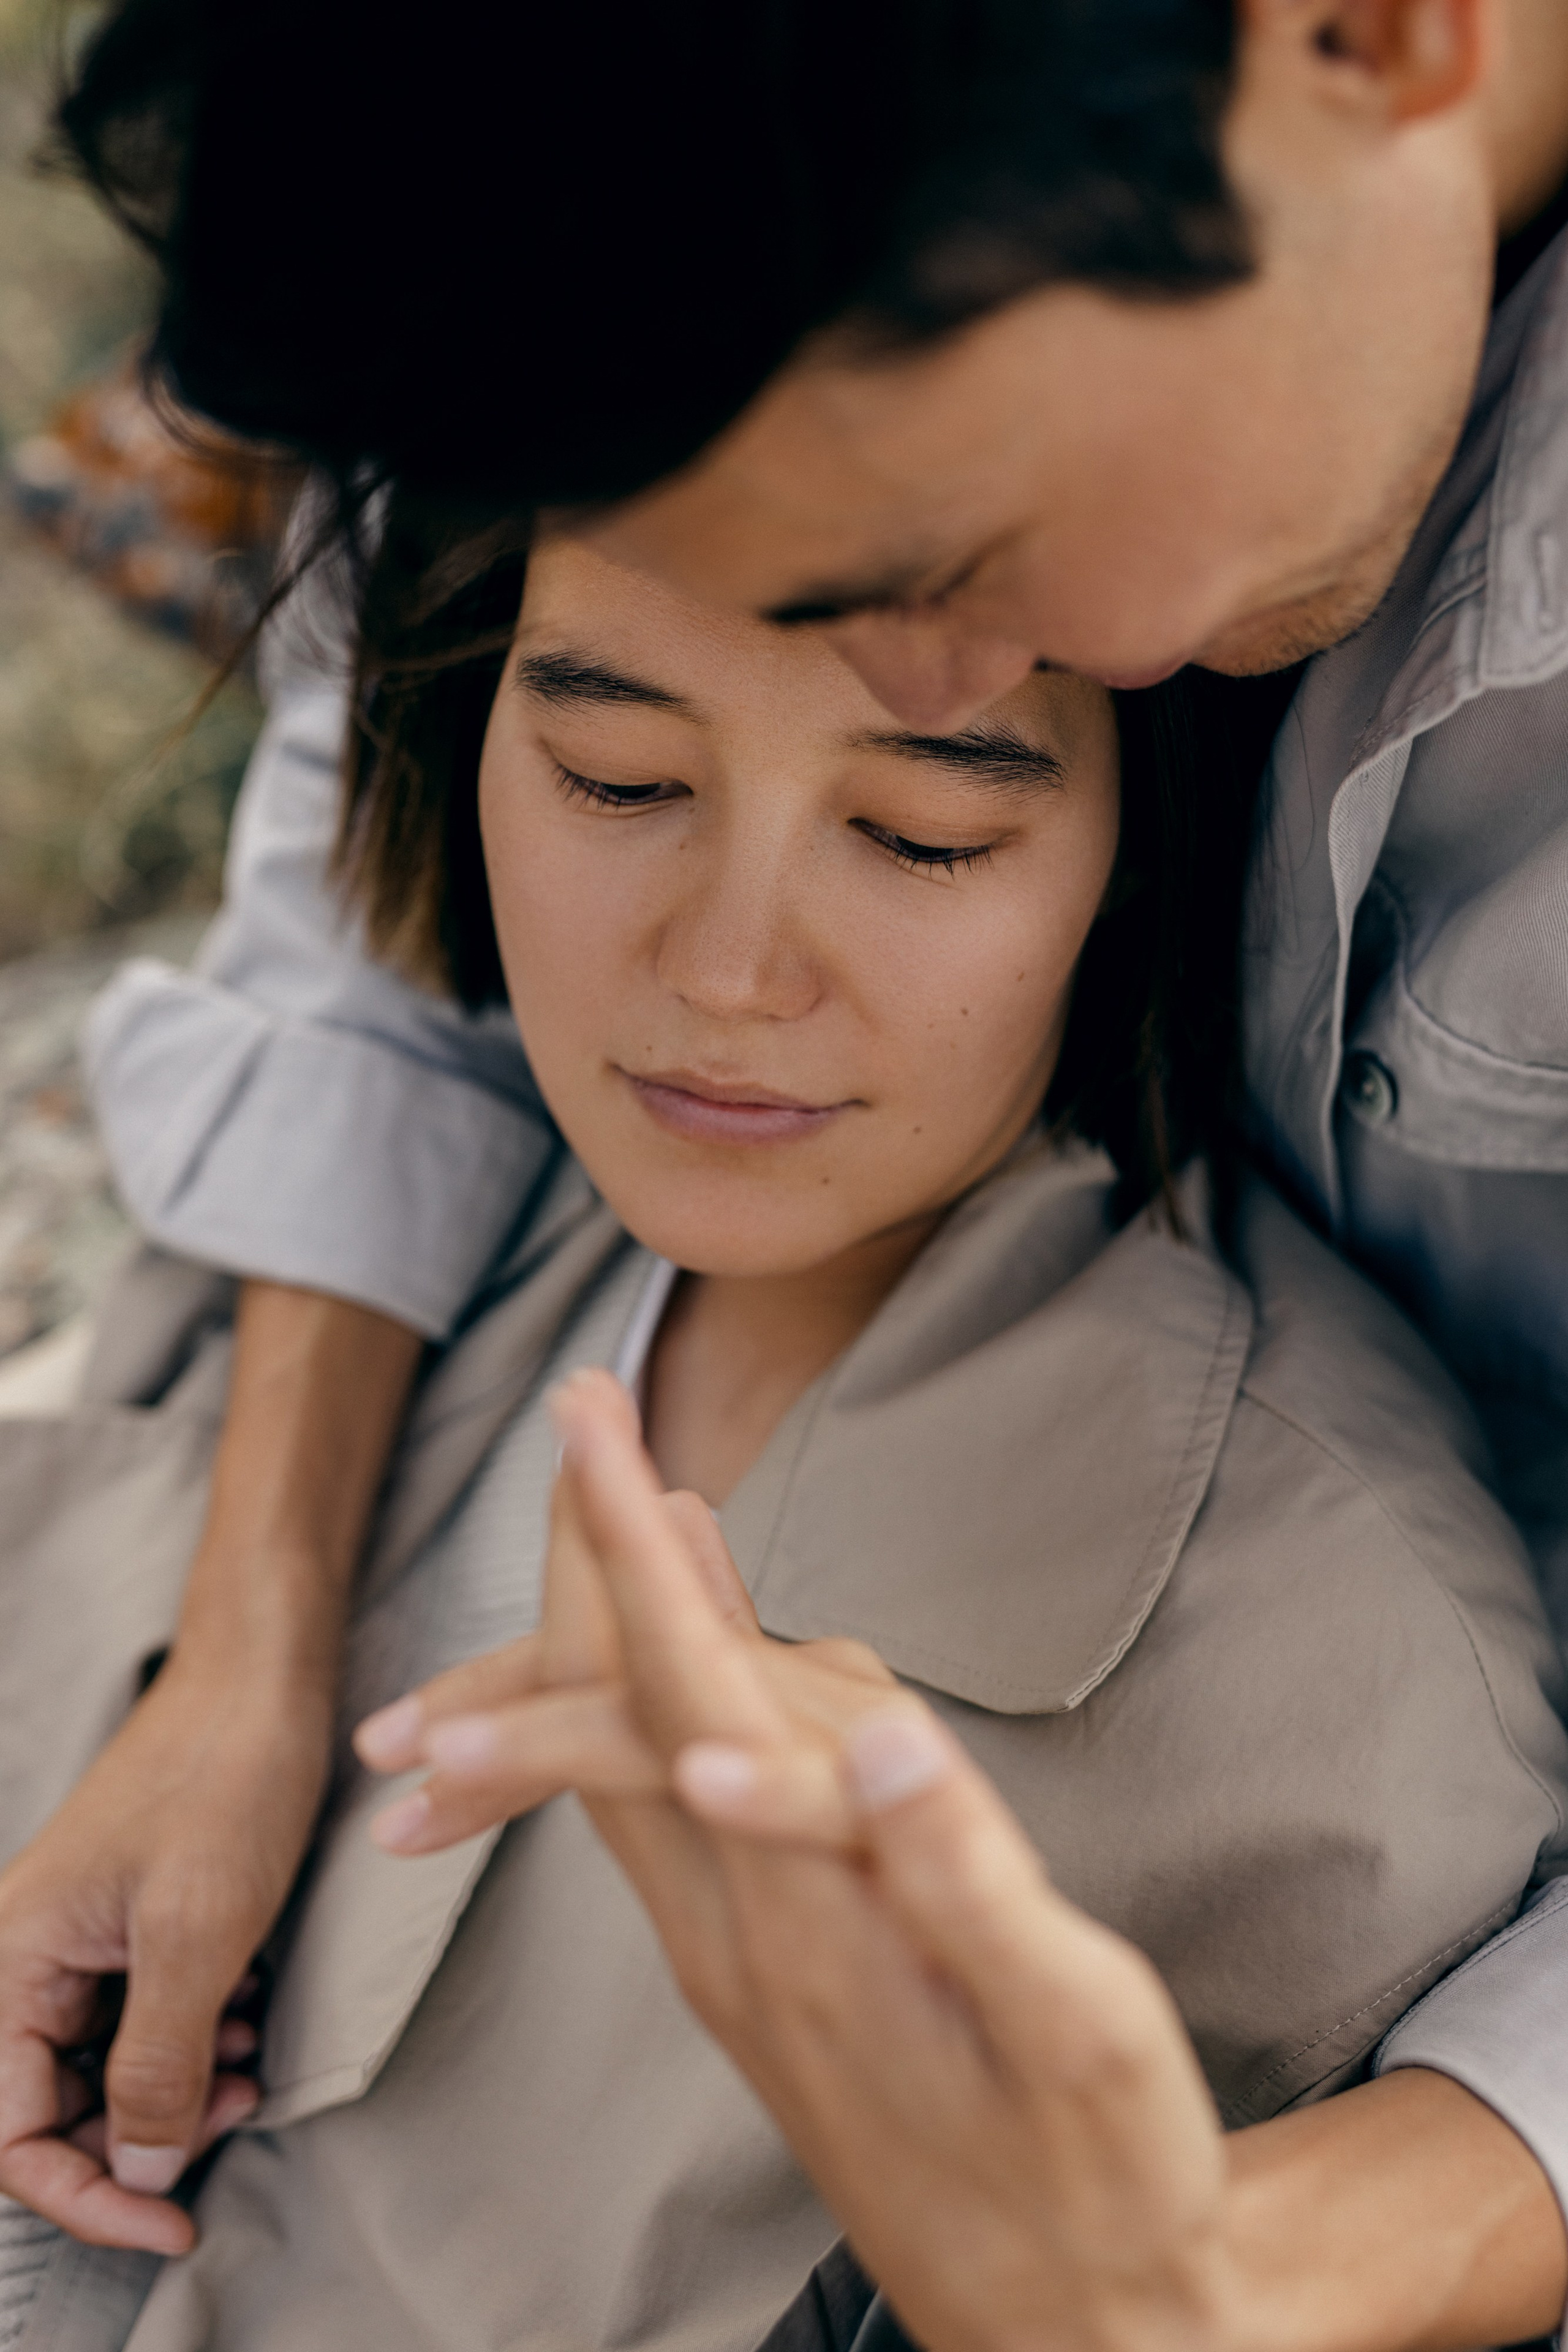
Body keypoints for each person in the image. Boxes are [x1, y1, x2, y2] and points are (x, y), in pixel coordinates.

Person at [7, 0, 1567, 2339]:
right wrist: (256, 1630)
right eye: (621, 772)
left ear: (1367, 35)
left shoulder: (1346, 1698)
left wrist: (1218, 2269)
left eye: (932, 810)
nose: (734, 970)